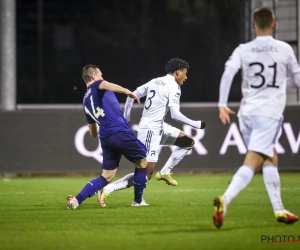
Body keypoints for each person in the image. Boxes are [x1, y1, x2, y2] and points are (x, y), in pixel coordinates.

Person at [213, 7, 300, 228]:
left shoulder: (244, 49)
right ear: (274, 24)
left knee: (270, 158)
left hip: (247, 114)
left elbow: (228, 73)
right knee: (253, 162)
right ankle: (225, 200)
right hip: (268, 114)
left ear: (253, 25)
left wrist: (222, 104)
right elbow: (297, 80)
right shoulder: (284, 49)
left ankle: (279, 210)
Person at [97, 57, 206, 207]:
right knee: (146, 173)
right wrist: (196, 124)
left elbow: (131, 97)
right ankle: (110, 189)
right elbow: (175, 115)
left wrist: (126, 120)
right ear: (177, 72)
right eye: (185, 74)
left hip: (159, 126)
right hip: (150, 130)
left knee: (188, 142)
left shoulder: (155, 81)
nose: (186, 77)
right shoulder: (173, 86)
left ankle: (165, 172)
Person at [67, 64, 148, 208]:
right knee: (142, 161)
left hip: (105, 137)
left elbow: (92, 133)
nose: (102, 78)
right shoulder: (97, 84)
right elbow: (107, 85)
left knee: (107, 176)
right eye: (101, 75)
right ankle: (138, 201)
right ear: (94, 77)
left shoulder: (85, 102)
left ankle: (77, 200)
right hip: (119, 131)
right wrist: (127, 92)